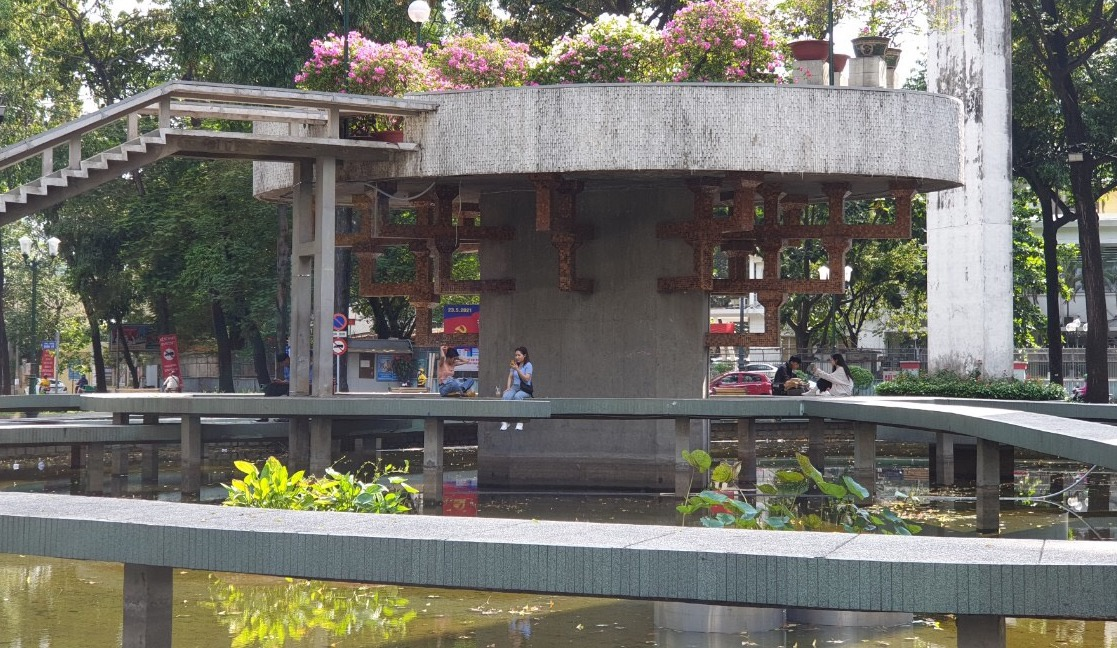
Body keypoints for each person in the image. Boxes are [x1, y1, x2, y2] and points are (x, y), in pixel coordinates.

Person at [500, 347, 534, 431]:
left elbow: (526, 379)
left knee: (517, 397)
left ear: (524, 355)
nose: (517, 357)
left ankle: (520, 421)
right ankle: (505, 421)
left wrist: (517, 369)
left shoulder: (528, 365)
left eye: (519, 355)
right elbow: (510, 376)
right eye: (516, 355)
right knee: (505, 397)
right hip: (514, 387)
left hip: (524, 388)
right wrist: (508, 387)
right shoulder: (514, 364)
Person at [258, 352, 291, 421]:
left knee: (272, 388)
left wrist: (283, 382)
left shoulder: (295, 367)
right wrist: (281, 381)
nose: (283, 364)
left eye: (283, 362)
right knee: (271, 387)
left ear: (288, 359)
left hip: (292, 387)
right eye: (282, 363)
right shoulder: (286, 368)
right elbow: (287, 379)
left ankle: (265, 415)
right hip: (287, 385)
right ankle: (265, 414)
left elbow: (297, 381)